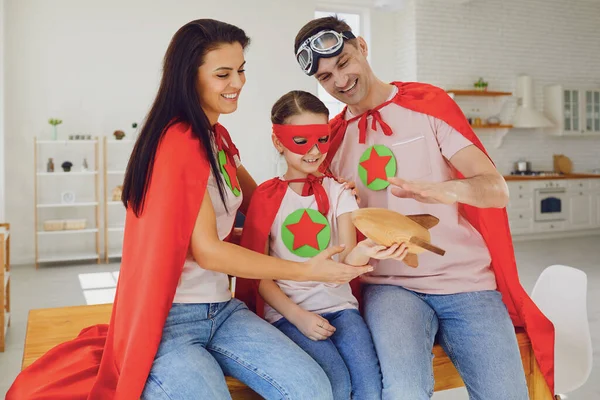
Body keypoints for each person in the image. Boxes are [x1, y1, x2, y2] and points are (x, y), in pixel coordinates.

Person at [7, 19, 374, 400]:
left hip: (223, 310)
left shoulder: (217, 137)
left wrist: (327, 188)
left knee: (312, 388)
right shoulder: (178, 143)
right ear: (189, 77)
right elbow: (209, 252)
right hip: (174, 319)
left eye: (241, 70)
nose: (238, 83)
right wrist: (305, 269)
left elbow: (264, 200)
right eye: (223, 74)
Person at [291, 16, 555, 400]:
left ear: (362, 47)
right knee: (404, 392)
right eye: (326, 77)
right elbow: (315, 223)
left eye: (344, 62)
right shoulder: (330, 142)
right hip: (391, 289)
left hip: (467, 284)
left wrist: (447, 190)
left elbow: (496, 189)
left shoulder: (428, 105)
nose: (340, 81)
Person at [239, 90, 409, 399]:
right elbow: (260, 277)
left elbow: (347, 259)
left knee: (370, 389)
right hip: (288, 314)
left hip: (341, 308)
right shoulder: (266, 198)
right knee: (336, 385)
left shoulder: (339, 191)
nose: (314, 151)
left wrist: (368, 251)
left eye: (322, 138)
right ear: (278, 141)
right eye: (301, 140)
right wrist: (297, 316)